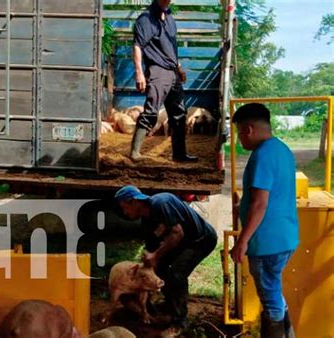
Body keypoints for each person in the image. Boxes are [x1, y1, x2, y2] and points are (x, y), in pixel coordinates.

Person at [230, 103, 298, 337]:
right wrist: (243, 205)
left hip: (267, 243)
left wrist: (242, 241)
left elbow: (260, 203)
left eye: (239, 132)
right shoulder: (281, 149)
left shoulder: (262, 156)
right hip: (285, 238)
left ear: (248, 129)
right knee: (274, 293)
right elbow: (271, 194)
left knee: (270, 302)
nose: (239, 138)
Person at [115, 185, 217, 337]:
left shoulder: (161, 203)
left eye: (125, 208)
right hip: (183, 242)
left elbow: (177, 233)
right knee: (160, 269)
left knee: (176, 274)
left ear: (134, 201)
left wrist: (155, 256)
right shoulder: (146, 222)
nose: (125, 213)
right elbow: (151, 250)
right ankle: (171, 304)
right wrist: (147, 265)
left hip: (200, 240)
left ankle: (179, 323)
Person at [131, 0, 197, 162]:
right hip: (157, 70)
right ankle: (134, 152)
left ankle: (179, 154)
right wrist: (139, 73)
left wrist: (179, 67)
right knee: (152, 110)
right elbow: (138, 46)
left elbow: (171, 48)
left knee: (179, 114)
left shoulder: (170, 19)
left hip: (172, 72)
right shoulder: (145, 19)